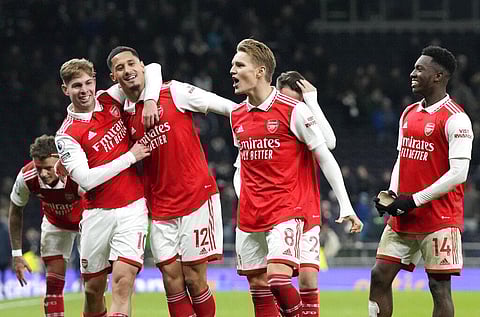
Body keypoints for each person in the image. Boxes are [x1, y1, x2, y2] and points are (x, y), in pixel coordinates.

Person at [230, 39, 363, 317]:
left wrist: (345, 205)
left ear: (260, 71)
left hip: (289, 208)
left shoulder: (293, 110)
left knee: (281, 279)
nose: (232, 71)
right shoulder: (236, 115)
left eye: (239, 65)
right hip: (251, 214)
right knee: (258, 286)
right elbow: (241, 165)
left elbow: (327, 153)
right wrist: (243, 196)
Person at [105, 46, 235, 317]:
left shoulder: (174, 91)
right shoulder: (120, 112)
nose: (128, 70)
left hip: (196, 198)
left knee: (194, 278)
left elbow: (227, 107)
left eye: (132, 64)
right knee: (171, 281)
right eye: (120, 68)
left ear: (141, 65)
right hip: (161, 206)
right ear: (113, 76)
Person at [370, 46, 474, 317]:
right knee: (379, 275)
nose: (412, 73)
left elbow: (458, 173)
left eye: (419, 69)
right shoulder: (408, 113)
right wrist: (391, 193)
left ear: (438, 76)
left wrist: (414, 200)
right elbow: (401, 159)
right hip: (405, 213)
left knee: (439, 287)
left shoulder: (456, 118)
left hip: (439, 218)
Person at [55, 58, 160, 317]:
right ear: (65, 89)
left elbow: (154, 68)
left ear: (95, 82)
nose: (84, 90)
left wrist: (150, 100)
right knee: (93, 290)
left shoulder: (109, 99)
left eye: (89, 82)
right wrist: (129, 157)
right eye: (76, 85)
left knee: (123, 281)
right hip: (96, 214)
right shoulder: (66, 135)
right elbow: (86, 180)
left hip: (132, 207)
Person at [8, 134, 85, 316]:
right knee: (53, 284)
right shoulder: (27, 176)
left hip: (86, 223)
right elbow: (16, 210)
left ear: (59, 161)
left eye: (49, 168)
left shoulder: (77, 172)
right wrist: (17, 254)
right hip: (55, 224)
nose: (43, 173)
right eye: (39, 168)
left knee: (93, 284)